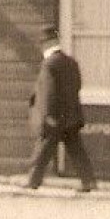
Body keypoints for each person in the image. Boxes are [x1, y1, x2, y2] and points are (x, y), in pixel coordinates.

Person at [23, 26, 96, 192]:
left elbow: (48, 92)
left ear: (46, 44)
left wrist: (48, 114)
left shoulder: (49, 64)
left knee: (42, 150)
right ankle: (89, 182)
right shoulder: (71, 62)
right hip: (71, 117)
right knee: (77, 151)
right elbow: (77, 86)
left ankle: (33, 181)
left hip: (54, 118)